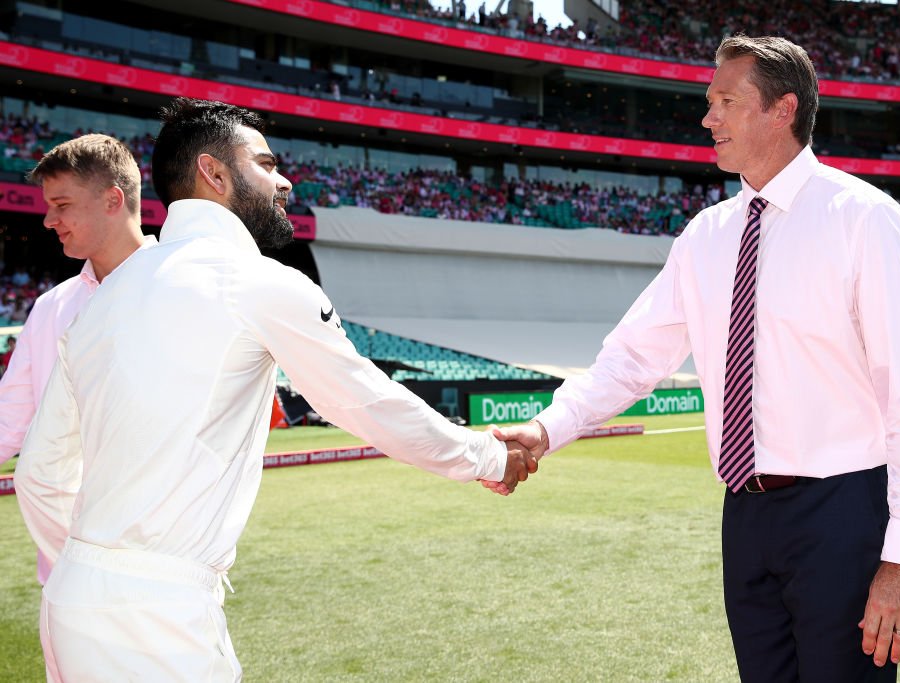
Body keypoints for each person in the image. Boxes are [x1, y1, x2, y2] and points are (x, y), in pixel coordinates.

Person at [14, 98, 536, 682]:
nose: (284, 180)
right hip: (156, 615)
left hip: (70, 601)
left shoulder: (98, 301)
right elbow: (364, 401)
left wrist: (94, 569)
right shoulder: (257, 281)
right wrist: (489, 456)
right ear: (214, 173)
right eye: (265, 164)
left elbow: (38, 474)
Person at [492, 35, 900, 682]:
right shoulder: (705, 236)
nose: (708, 118)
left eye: (726, 102)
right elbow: (632, 358)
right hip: (745, 514)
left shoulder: (863, 219)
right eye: (710, 102)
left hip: (843, 512)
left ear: (782, 109)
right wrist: (545, 429)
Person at [1, 133, 151, 682]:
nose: (49, 220)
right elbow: (8, 420)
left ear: (113, 199)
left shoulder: (187, 290)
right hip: (65, 581)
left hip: (157, 584)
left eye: (61, 205)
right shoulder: (51, 307)